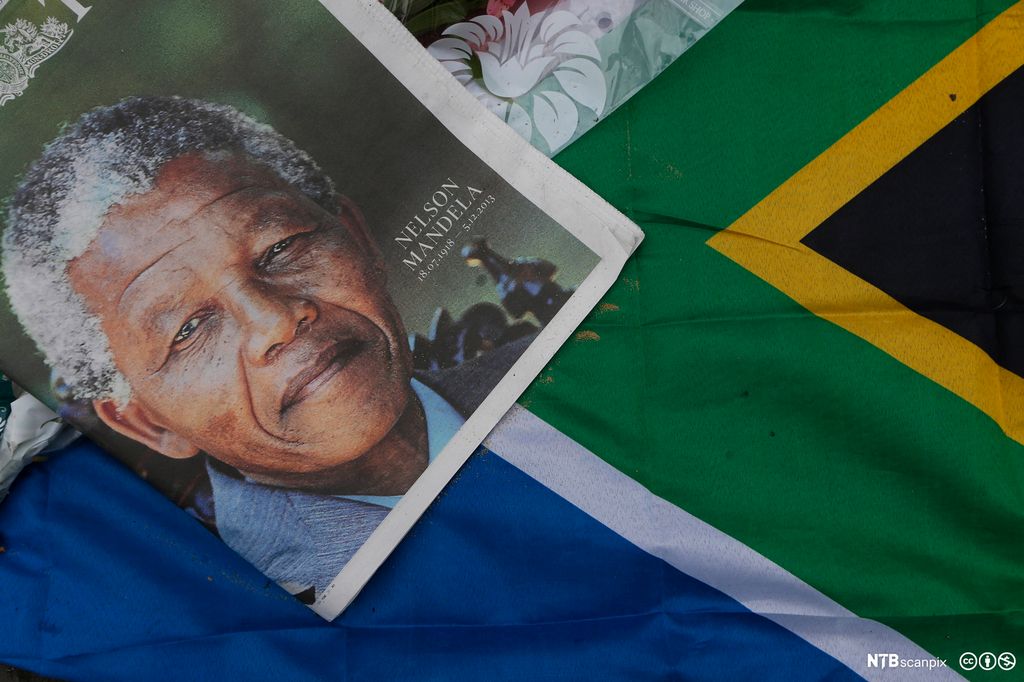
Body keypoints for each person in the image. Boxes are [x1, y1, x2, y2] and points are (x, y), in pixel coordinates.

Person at [2, 96, 529, 600]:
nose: (276, 321)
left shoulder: (557, 359)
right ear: (148, 423)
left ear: (358, 239)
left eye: (280, 248)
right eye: (188, 329)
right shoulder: (253, 616)